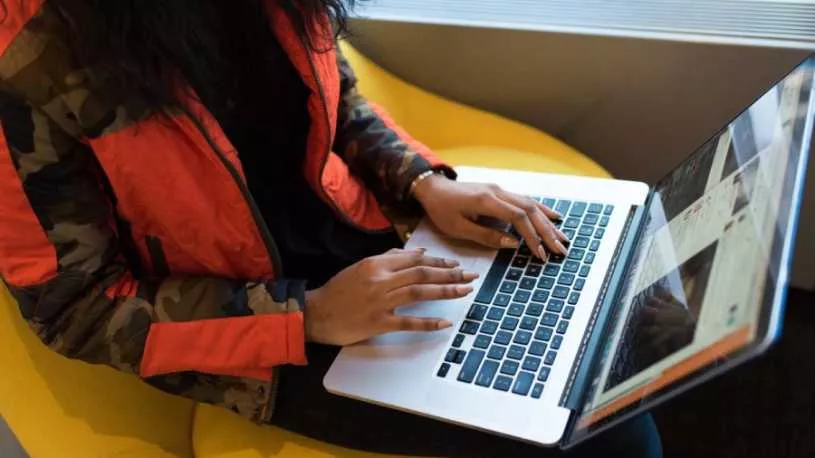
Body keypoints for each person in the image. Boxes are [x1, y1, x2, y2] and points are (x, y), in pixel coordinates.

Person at [0, 1, 661, 456]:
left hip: (370, 234)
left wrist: (425, 183)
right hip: (253, 334)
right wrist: (306, 315)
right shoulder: (25, 59)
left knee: (635, 309)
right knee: (604, 433)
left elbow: (335, 101)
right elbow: (74, 308)